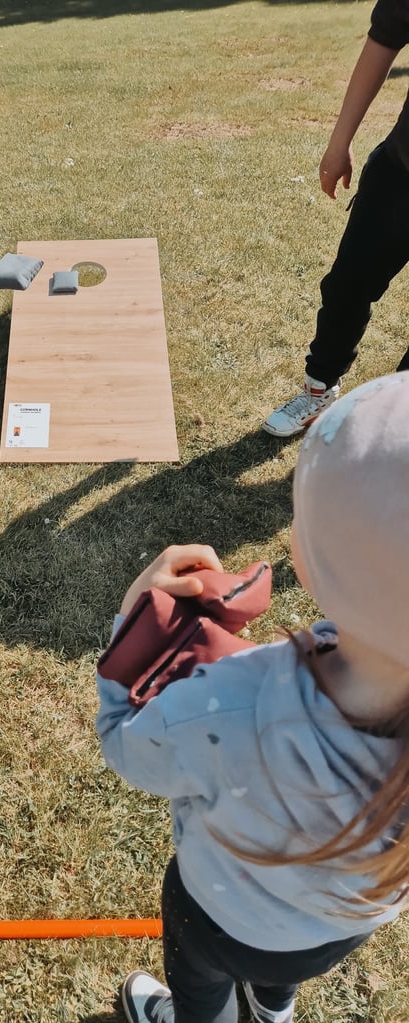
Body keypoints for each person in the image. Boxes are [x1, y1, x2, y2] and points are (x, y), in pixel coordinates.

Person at [98, 372, 409, 1023]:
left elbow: (127, 748)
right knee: (278, 972)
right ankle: (272, 1009)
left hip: (218, 914)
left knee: (201, 986)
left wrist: (134, 624)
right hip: (333, 934)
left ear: (315, 563)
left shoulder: (238, 700)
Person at [263, 0, 409, 437]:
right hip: (401, 170)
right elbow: (383, 41)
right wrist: (339, 141)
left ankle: (398, 426)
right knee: (347, 285)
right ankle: (318, 390)